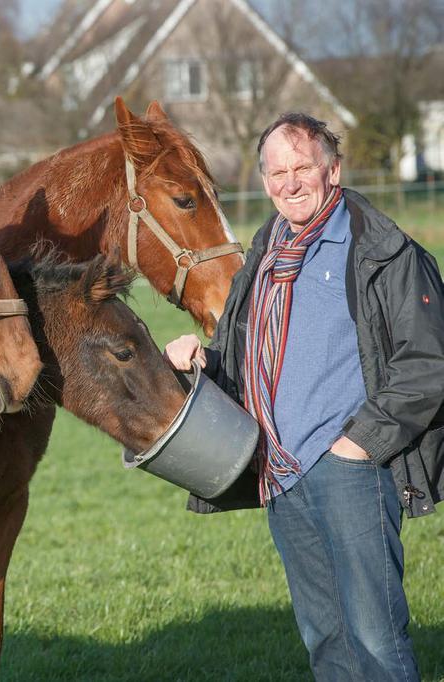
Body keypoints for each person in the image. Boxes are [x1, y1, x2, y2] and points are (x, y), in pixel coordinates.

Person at [165, 112, 444, 681]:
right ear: (264, 180)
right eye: (276, 172)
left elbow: (428, 364)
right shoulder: (264, 259)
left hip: (351, 470)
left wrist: (358, 445)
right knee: (326, 642)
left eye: (303, 168)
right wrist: (201, 363)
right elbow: (249, 363)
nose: (290, 183)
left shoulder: (384, 252)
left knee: (375, 638)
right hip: (281, 476)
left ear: (332, 171)